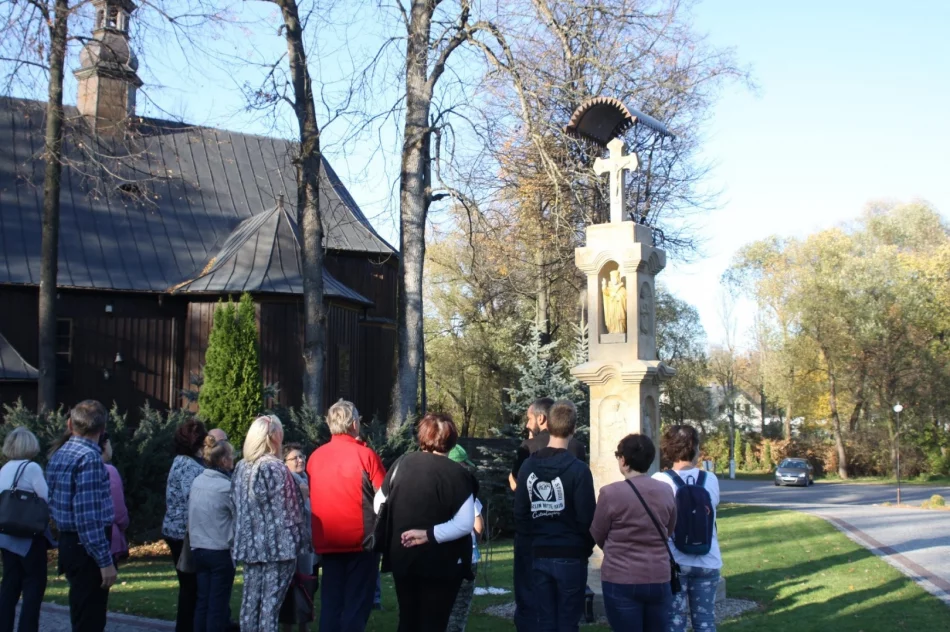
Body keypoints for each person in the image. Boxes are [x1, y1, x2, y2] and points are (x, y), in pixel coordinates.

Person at [375, 412, 478, 632]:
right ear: (452, 439)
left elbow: (379, 505)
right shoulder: (458, 474)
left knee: (408, 620)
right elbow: (465, 523)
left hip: (404, 555)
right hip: (443, 561)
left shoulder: (402, 464)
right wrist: (429, 534)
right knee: (434, 623)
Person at [514, 400, 595, 632]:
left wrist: (533, 541)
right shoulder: (579, 469)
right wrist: (583, 548)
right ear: (574, 428)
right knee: (568, 622)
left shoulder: (528, 467)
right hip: (569, 554)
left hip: (540, 552)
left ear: (546, 423)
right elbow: (587, 517)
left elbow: (520, 513)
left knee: (545, 620)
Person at [308, 400, 385, 632]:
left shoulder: (315, 457)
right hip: (361, 542)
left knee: (331, 604)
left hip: (328, 541)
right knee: (356, 604)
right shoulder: (365, 455)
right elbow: (385, 495)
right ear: (354, 424)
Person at [591, 434, 677, 632]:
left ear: (623, 460)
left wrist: (616, 547)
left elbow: (597, 533)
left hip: (621, 577)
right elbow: (669, 528)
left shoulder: (610, 493)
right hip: (659, 576)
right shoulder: (666, 490)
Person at [232, 415, 310, 632]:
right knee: (269, 606)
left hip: (250, 546)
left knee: (249, 603)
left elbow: (236, 503)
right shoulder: (275, 468)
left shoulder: (241, 467)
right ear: (274, 437)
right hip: (277, 547)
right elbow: (289, 510)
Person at [45, 400, 117, 632]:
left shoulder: (59, 454)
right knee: (91, 619)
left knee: (80, 612)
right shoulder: (90, 460)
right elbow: (88, 517)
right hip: (86, 547)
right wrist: (105, 561)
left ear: (70, 424)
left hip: (69, 542)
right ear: (102, 430)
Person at [652, 425, 722, 632]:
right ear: (696, 449)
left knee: (675, 620)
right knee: (705, 620)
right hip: (708, 559)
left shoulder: (660, 480)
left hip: (675, 562)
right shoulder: (711, 479)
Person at [0, 428, 51, 632]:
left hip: (5, 535)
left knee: (10, 585)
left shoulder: (4, 469)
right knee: (34, 586)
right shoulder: (31, 468)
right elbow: (46, 498)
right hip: (28, 535)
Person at [162, 418, 208, 632]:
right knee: (191, 588)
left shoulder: (178, 461)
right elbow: (194, 498)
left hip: (174, 529)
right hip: (185, 533)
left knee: (188, 588)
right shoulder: (189, 465)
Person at [189, 435, 236, 632]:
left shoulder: (197, 480)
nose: (234, 460)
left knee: (203, 602)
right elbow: (239, 515)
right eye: (232, 456)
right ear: (224, 460)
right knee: (217, 605)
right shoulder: (226, 487)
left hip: (198, 548)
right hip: (219, 549)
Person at [446, 444, 484, 632]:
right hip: (466, 558)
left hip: (440, 558)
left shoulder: (433, 489)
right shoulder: (467, 491)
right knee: (458, 611)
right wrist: (474, 541)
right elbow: (478, 524)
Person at [280, 444, 317, 632]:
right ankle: (288, 624)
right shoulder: (287, 482)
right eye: (295, 458)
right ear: (285, 463)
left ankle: (304, 623)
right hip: (291, 543)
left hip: (307, 542)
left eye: (302, 456)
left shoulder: (306, 481)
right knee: (290, 584)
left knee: (306, 582)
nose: (300, 460)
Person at [100, 434, 129, 564]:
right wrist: (124, 524)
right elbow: (118, 509)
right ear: (105, 445)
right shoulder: (108, 471)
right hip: (108, 536)